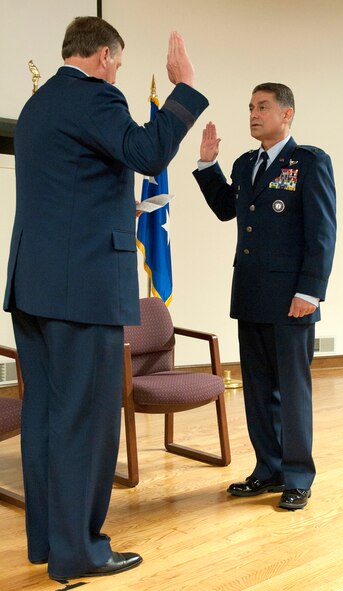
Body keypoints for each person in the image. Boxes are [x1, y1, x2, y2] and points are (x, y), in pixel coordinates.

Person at [3, 16, 208, 581]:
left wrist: (124, 211)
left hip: (36, 288)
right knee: (88, 422)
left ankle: (49, 542)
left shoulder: (40, 106)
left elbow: (74, 189)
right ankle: (81, 551)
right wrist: (184, 88)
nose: (116, 68)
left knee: (47, 418)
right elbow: (145, 152)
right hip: (84, 291)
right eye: (116, 60)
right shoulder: (96, 97)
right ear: (100, 56)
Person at [193, 83, 336, 510]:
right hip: (252, 294)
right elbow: (225, 208)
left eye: (263, 106)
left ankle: (297, 477)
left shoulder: (309, 162)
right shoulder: (245, 163)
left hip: (292, 298)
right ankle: (268, 470)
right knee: (257, 389)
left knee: (292, 391)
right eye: (250, 107)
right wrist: (207, 163)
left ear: (287, 113)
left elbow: (322, 232)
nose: (254, 114)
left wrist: (310, 291)